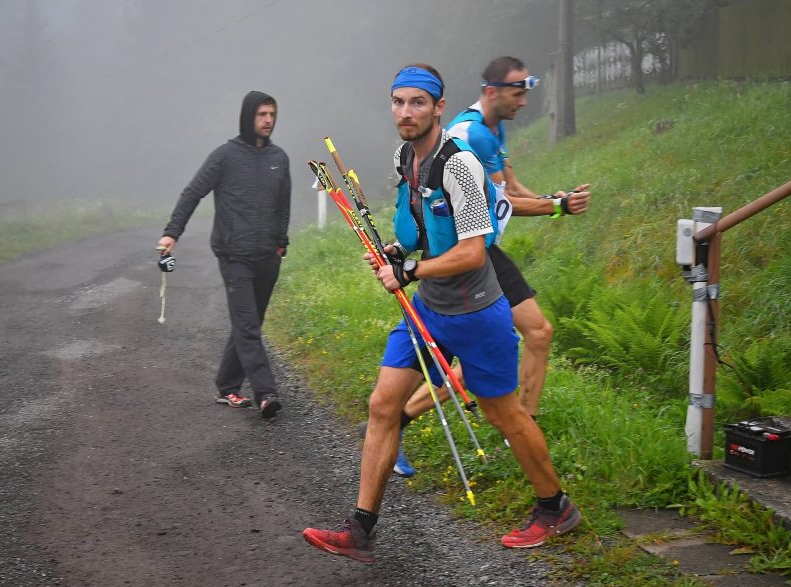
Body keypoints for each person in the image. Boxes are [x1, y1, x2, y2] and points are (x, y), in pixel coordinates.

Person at [302, 64, 581, 564]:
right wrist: (394, 252)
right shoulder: (404, 158)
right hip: (427, 309)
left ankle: (555, 507)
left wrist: (407, 271)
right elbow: (420, 236)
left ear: (439, 107)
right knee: (383, 405)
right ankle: (360, 529)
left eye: (417, 103)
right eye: (398, 102)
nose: (405, 112)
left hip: (477, 313)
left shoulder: (461, 165)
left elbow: (474, 252)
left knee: (504, 414)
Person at [373, 56, 592, 478]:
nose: (524, 101)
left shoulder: (494, 129)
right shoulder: (467, 138)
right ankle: (516, 429)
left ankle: (515, 427)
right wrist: (557, 207)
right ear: (492, 91)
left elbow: (507, 193)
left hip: (475, 249)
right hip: (470, 253)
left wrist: (553, 201)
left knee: (504, 345)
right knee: (516, 339)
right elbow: (489, 212)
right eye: (518, 91)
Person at [156, 90, 290, 420]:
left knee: (250, 323)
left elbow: (283, 204)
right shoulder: (225, 157)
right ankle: (266, 393)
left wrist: (281, 242)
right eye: (262, 114)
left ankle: (227, 385)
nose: (268, 120)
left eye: (272, 114)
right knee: (247, 326)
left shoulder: (279, 158)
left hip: (267, 256)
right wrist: (172, 232)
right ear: (248, 117)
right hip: (234, 256)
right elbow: (192, 193)